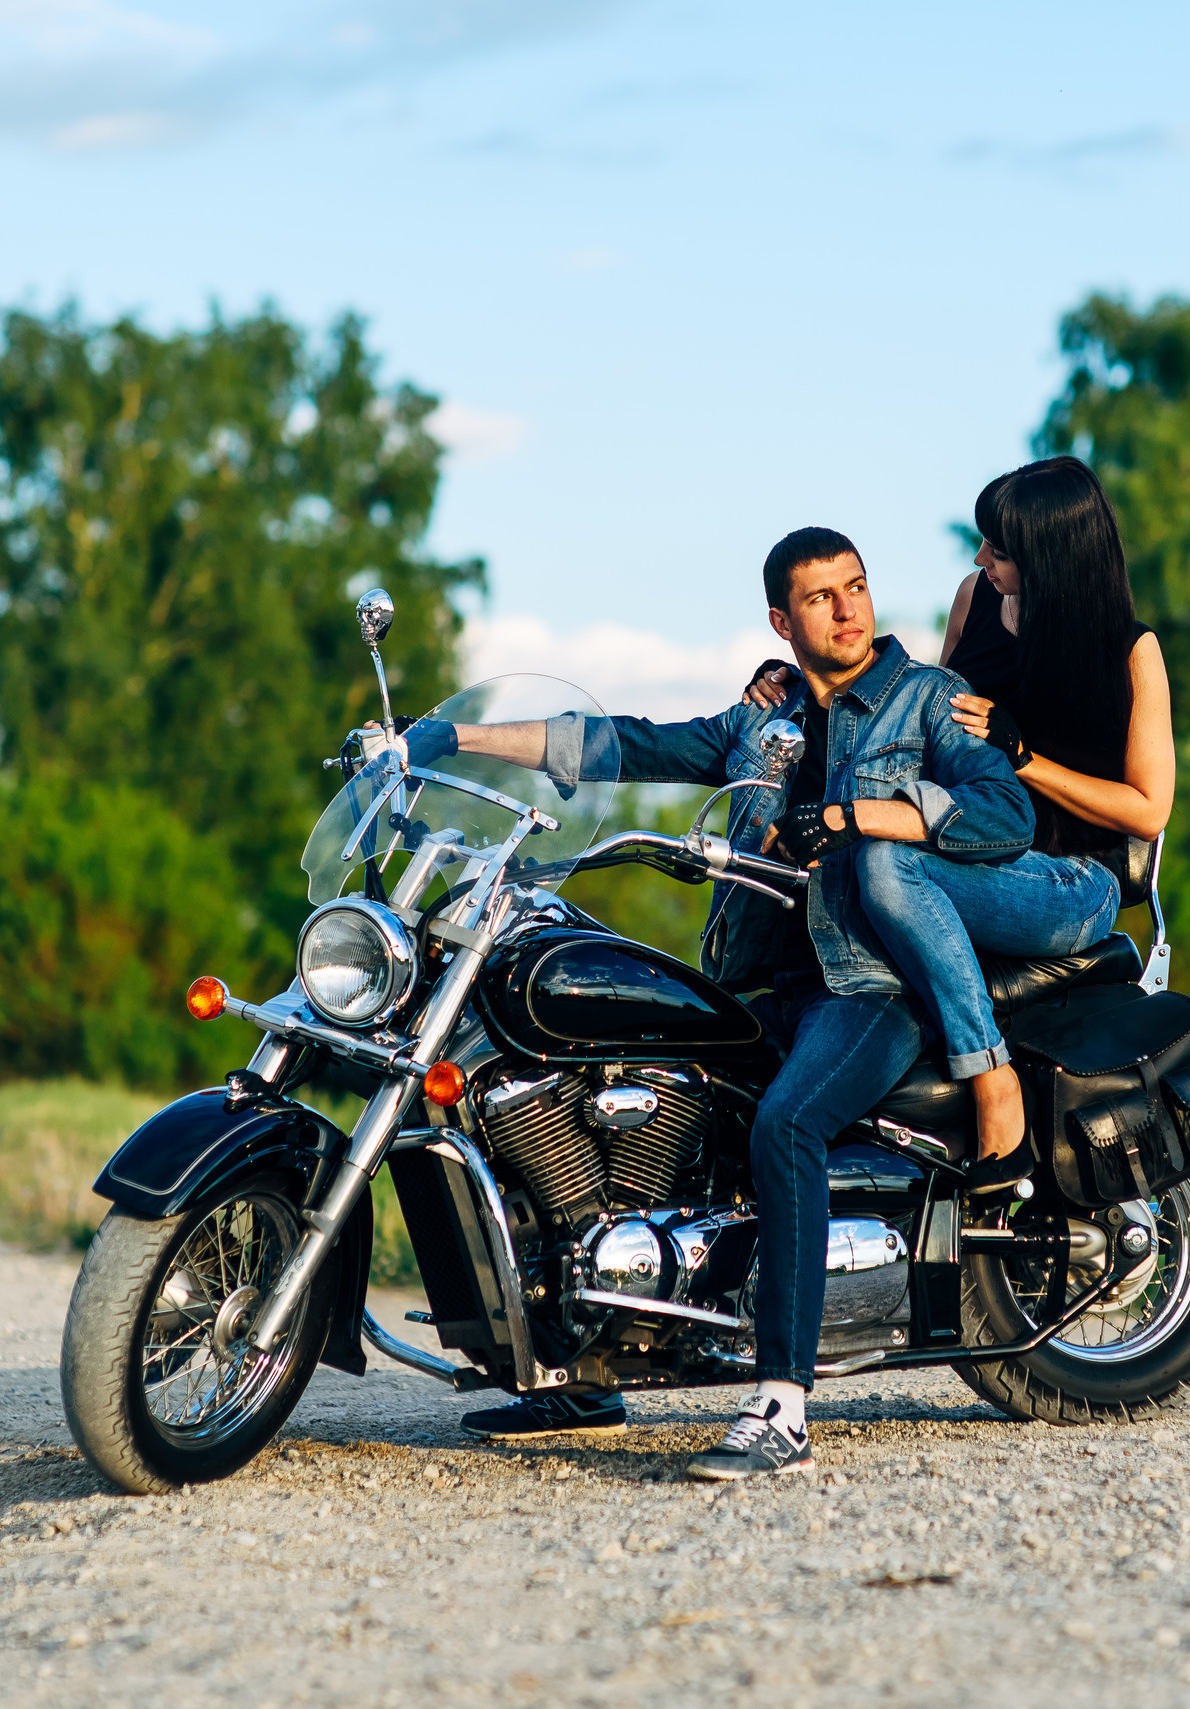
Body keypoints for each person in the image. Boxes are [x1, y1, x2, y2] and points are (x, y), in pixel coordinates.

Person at [428, 527, 1034, 1479]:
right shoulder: (761, 720)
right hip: (758, 989)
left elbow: (1004, 814)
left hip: (866, 986)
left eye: (857, 587)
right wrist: (453, 737)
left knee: (785, 1128)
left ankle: (783, 1403)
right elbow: (617, 745)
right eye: (822, 597)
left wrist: (860, 817)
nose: (847, 609)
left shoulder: (925, 703)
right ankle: (578, 1365)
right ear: (780, 620)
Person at [744, 458, 1175, 1188]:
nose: (980, 559)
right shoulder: (975, 599)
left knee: (881, 861)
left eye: (997, 549)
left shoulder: (1131, 650)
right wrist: (797, 676)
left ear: (1046, 555)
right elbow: (913, 719)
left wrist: (1025, 758)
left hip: (1070, 881)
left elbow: (1147, 808)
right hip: (962, 859)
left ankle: (993, 1082)